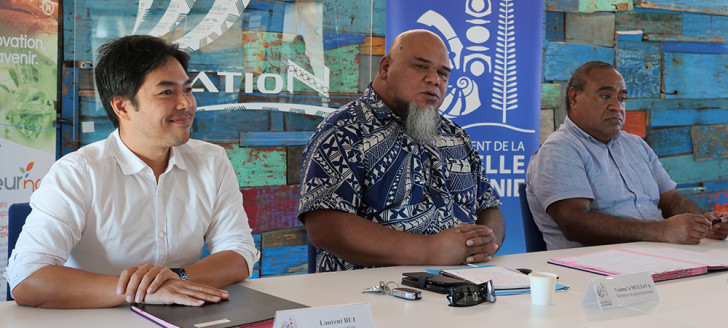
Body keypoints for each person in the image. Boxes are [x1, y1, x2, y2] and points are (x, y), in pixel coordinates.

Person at [5, 35, 259, 308]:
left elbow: (239, 253)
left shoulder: (212, 160)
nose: (186, 104)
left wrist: (176, 277)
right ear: (122, 106)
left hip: (185, 316)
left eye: (187, 89)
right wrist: (142, 291)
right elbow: (27, 280)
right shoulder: (77, 173)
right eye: (166, 92)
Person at [297, 29, 505, 272]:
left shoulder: (456, 137)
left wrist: (486, 241)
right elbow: (325, 228)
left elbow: (489, 207)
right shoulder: (344, 131)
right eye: (421, 67)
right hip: (372, 296)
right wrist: (429, 251)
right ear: (385, 67)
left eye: (443, 73)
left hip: (460, 291)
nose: (434, 80)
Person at [526, 61, 728, 250]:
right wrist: (663, 231)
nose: (617, 106)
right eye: (605, 96)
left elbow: (672, 200)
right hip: (599, 270)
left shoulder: (635, 145)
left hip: (659, 254)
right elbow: (575, 223)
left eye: (622, 98)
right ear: (574, 98)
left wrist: (705, 223)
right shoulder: (559, 150)